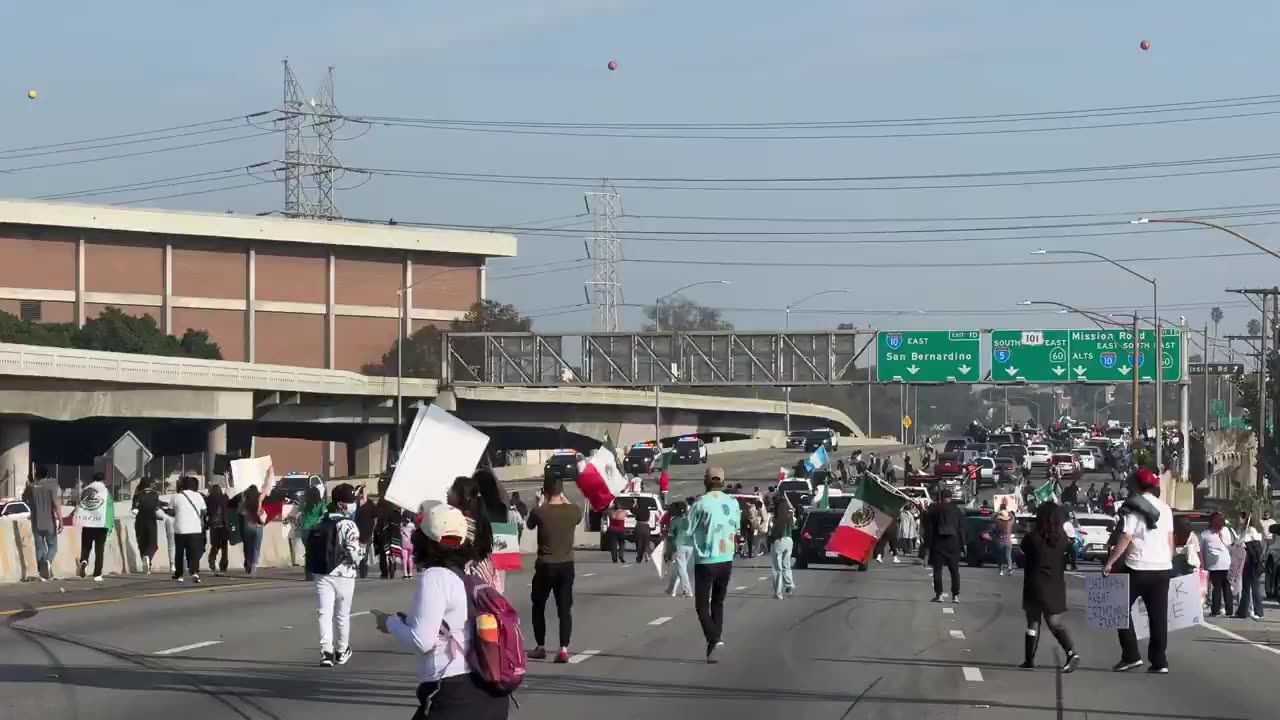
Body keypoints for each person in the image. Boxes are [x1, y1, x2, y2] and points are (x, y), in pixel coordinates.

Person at [378, 502, 510, 720]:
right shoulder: (471, 571)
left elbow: (422, 641)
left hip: (453, 693)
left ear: (425, 540)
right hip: (487, 688)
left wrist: (390, 623)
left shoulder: (436, 576)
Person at [1102, 468, 1173, 674]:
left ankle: (1131, 655)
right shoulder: (1166, 509)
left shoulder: (1133, 507)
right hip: (1162, 569)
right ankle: (1160, 662)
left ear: (1136, 485)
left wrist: (1110, 562)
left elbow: (1126, 537)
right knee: (1158, 617)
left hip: (1138, 566)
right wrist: (1169, 560)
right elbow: (1170, 539)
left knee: (1118, 608)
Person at [526, 476, 583, 663]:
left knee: (538, 605)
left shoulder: (540, 512)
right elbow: (576, 514)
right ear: (562, 491)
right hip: (566, 566)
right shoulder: (573, 510)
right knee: (564, 609)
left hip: (546, 565)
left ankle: (541, 647)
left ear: (545, 491)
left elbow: (529, 524)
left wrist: (539, 502)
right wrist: (562, 497)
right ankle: (564, 649)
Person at [1019, 502, 1080, 672]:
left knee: (1033, 622)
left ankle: (1029, 660)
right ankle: (1070, 651)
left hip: (1035, 582)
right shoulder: (1062, 539)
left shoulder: (1032, 537)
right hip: (1056, 584)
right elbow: (1070, 554)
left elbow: (1022, 553)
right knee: (1054, 622)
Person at [689, 467, 739, 663]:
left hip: (706, 560)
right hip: (726, 559)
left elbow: (687, 528)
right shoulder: (733, 503)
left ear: (706, 481)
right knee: (718, 602)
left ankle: (714, 637)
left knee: (701, 607)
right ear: (723, 482)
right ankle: (713, 647)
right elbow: (736, 526)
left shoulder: (700, 503)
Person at [312, 483, 364, 668]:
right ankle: (342, 651)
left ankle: (326, 652)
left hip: (322, 573)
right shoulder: (349, 525)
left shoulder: (321, 521)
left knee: (324, 613)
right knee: (342, 615)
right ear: (342, 505)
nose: (353, 505)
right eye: (351, 502)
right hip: (344, 575)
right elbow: (354, 552)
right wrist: (362, 553)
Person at [450, 471, 510, 593]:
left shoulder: (474, 510)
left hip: (479, 562)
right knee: (498, 594)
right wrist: (492, 471)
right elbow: (505, 496)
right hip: (499, 559)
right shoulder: (502, 508)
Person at [921, 487, 965, 603]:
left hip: (938, 543)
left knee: (938, 570)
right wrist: (963, 545)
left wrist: (926, 547)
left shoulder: (934, 509)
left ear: (940, 498)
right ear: (951, 498)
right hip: (954, 543)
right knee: (955, 571)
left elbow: (929, 529)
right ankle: (955, 596)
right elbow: (961, 529)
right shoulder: (957, 510)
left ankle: (939, 595)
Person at [27, 466, 62, 581]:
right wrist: (61, 521)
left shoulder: (32, 487)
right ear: (47, 474)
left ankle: (43, 574)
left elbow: (25, 499)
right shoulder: (51, 485)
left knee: (39, 548)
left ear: (37, 474)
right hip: (49, 522)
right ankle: (48, 561)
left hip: (35, 522)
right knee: (53, 546)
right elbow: (56, 504)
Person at [171, 476, 207, 584]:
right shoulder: (198, 496)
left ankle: (179, 575)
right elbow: (204, 511)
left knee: (179, 552)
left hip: (180, 529)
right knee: (194, 553)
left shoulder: (176, 497)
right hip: (195, 529)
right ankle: (195, 572)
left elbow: (170, 511)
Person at [77, 472, 112, 583]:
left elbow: (79, 506)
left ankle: (84, 561)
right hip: (101, 525)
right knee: (99, 550)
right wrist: (110, 525)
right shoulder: (105, 491)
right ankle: (97, 574)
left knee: (86, 546)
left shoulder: (85, 490)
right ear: (103, 480)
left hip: (88, 524)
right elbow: (110, 509)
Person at [1200, 512, 1236, 617]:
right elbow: (1229, 545)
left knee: (1217, 588)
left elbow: (1203, 550)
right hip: (1226, 562)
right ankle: (1229, 610)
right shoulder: (1226, 531)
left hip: (1214, 565)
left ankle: (1215, 610)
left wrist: (1204, 565)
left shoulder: (1205, 534)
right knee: (1227, 587)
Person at [1235, 513, 1266, 622]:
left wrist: (1241, 539)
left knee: (1254, 588)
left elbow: (1244, 542)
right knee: (1246, 587)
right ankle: (1242, 611)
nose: (1240, 519)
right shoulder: (1247, 529)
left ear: (1246, 519)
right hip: (1248, 562)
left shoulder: (1251, 530)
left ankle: (1259, 612)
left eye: (1242, 517)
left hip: (1252, 562)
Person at [290, 486, 326, 570]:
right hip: (316, 529)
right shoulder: (320, 503)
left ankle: (309, 570)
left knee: (308, 550)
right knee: (316, 550)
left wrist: (290, 517)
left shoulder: (304, 503)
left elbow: (296, 516)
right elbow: (323, 515)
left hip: (305, 528)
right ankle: (316, 568)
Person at [132, 477, 163, 574]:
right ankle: (148, 557)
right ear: (150, 484)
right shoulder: (155, 495)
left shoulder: (137, 495)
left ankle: (145, 561)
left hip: (140, 521)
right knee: (153, 544)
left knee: (142, 542)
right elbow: (157, 508)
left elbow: (134, 510)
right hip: (151, 520)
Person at [769, 492, 796, 599]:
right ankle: (789, 584)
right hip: (789, 540)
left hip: (778, 541)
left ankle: (778, 593)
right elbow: (793, 513)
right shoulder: (790, 515)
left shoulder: (775, 517)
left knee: (777, 568)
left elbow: (770, 530)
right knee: (786, 565)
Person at [665, 501, 694, 598]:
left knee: (682, 569)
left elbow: (670, 536)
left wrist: (668, 550)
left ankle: (688, 590)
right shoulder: (688, 520)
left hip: (679, 546)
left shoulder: (674, 520)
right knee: (680, 568)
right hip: (690, 545)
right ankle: (671, 589)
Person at [239, 485, 266, 576]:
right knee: (256, 547)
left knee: (247, 546)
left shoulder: (245, 502)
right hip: (258, 527)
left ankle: (248, 561)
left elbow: (240, 512)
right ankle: (254, 564)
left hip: (247, 526)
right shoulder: (259, 501)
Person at [206, 484, 231, 576]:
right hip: (224, 525)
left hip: (213, 525)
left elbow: (207, 511)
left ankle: (212, 558)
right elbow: (229, 492)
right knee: (224, 547)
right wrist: (227, 480)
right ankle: (223, 565)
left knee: (215, 545)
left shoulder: (209, 499)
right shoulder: (224, 498)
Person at [994, 501, 1015, 576]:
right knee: (1008, 555)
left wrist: (998, 512)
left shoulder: (998, 522)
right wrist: (1008, 513)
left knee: (1000, 555)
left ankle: (1001, 570)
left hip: (999, 541)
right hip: (1008, 541)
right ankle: (1010, 568)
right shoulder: (1010, 523)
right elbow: (1012, 517)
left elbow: (992, 518)